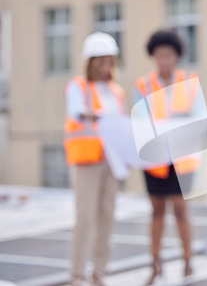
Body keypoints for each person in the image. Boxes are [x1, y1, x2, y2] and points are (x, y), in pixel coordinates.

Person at [134, 29, 203, 285]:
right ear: (153, 56)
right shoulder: (142, 85)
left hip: (182, 159)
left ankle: (187, 261)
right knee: (156, 210)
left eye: (169, 54)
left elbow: (200, 116)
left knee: (182, 210)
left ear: (176, 56)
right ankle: (155, 263)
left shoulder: (190, 81)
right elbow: (138, 119)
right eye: (160, 54)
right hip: (154, 159)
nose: (164, 59)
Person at [64, 32, 126, 286]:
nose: (105, 67)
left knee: (107, 217)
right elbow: (76, 111)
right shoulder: (78, 86)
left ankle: (99, 273)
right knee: (85, 218)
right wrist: (97, 115)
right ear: (90, 62)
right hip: (87, 161)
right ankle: (76, 275)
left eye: (109, 61)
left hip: (111, 162)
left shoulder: (116, 91)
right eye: (100, 61)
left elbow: (121, 126)